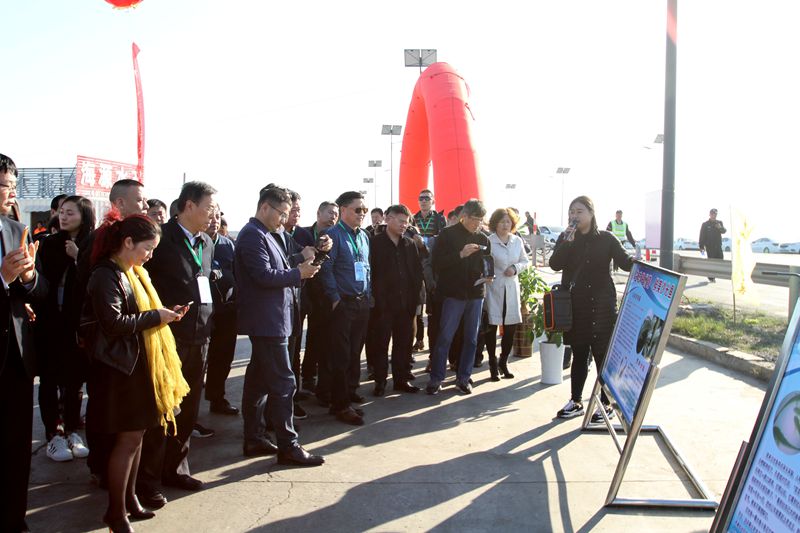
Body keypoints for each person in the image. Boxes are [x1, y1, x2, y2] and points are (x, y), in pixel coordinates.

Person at [83, 214, 189, 533]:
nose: (150, 256)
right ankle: (116, 513)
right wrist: (156, 317)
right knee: (128, 441)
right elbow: (113, 323)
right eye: (147, 248)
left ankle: (129, 501)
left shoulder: (133, 272)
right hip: (120, 371)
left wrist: (164, 315)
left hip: (137, 367)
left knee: (136, 438)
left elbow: (136, 315)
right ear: (127, 243)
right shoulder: (105, 275)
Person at [136, 181, 217, 506]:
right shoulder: (162, 238)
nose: (213, 214)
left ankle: (176, 469)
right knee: (162, 411)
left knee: (189, 409)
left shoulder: (207, 242)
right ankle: (148, 480)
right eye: (209, 207)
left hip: (201, 334)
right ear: (189, 206)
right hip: (168, 337)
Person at [236, 186, 324, 465]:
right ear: (265, 207)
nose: (284, 219)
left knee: (258, 382)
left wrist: (301, 262)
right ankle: (288, 445)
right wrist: (298, 273)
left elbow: (281, 264)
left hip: (275, 317)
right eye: (282, 213)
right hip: (267, 320)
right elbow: (263, 275)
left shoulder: (268, 235)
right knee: (285, 382)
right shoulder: (253, 235)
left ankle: (254, 437)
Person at [76, 178, 148, 487]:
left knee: (126, 425)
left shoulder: (134, 241)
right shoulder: (103, 244)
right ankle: (103, 470)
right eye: (140, 200)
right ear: (119, 203)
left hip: (125, 345)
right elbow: (89, 293)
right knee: (105, 414)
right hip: (107, 347)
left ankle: (123, 482)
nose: (145, 205)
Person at [549, 195, 633, 423]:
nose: (574, 216)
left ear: (591, 213)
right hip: (577, 305)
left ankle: (606, 403)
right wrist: (567, 242)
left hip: (602, 306)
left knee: (602, 356)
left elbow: (625, 262)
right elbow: (555, 264)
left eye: (579, 212)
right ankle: (576, 401)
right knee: (579, 354)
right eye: (571, 212)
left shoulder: (606, 239)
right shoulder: (566, 237)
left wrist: (640, 263)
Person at [0, 153, 47, 533]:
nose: (11, 193)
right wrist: (2, 278)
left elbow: (38, 291)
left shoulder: (16, 229)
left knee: (15, 449)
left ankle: (14, 518)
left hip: (14, 356)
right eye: (5, 186)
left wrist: (28, 278)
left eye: (13, 186)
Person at [35, 195, 95, 462]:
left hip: (78, 324)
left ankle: (72, 430)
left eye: (70, 212)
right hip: (50, 323)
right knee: (49, 379)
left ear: (84, 215)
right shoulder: (49, 244)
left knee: (74, 381)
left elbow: (94, 280)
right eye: (61, 212)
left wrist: (78, 256)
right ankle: (54, 434)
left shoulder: (92, 244)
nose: (64, 216)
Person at [425, 199, 491, 395]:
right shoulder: (447, 235)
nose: (478, 223)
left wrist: (488, 275)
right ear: (464, 216)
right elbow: (436, 264)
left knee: (471, 339)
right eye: (475, 219)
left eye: (481, 220)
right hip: (453, 294)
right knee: (445, 336)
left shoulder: (484, 239)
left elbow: (487, 263)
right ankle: (436, 378)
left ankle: (464, 377)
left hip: (476, 294)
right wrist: (460, 254)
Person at [319, 191, 370, 425]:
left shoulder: (364, 236)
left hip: (362, 302)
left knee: (354, 353)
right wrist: (335, 299)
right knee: (340, 356)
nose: (362, 214)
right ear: (343, 210)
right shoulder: (333, 235)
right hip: (343, 303)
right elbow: (326, 270)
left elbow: (367, 268)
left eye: (364, 210)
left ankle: (347, 394)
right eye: (358, 209)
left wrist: (369, 295)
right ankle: (340, 405)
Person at [370, 205, 424, 396]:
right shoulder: (375, 244)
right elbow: (371, 273)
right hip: (382, 305)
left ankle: (401, 380)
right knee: (380, 345)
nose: (404, 225)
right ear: (388, 219)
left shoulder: (409, 244)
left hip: (405, 304)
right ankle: (380, 381)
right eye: (401, 221)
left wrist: (415, 300)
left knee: (404, 344)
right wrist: (376, 299)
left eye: (406, 222)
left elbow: (417, 273)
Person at [484, 208, 529, 381]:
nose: (505, 225)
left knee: (510, 328)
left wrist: (515, 268)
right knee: (491, 327)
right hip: (494, 288)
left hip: (511, 287)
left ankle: (503, 361)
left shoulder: (517, 241)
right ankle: (492, 363)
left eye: (508, 222)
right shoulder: (489, 241)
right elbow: (484, 262)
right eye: (502, 221)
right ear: (495, 224)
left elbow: (525, 261)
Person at [204, 206, 239, 415]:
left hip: (227, 310)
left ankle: (217, 398)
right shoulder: (196, 243)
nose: (214, 221)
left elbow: (238, 273)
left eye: (217, 217)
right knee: (199, 361)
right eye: (210, 216)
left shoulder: (228, 244)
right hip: (201, 312)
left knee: (223, 356)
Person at [303, 201, 339, 399]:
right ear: (319, 213)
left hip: (326, 296)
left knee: (322, 338)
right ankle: (306, 376)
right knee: (307, 339)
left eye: (336, 214)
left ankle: (319, 379)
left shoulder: (336, 236)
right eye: (330, 213)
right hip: (304, 293)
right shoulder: (304, 234)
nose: (333, 217)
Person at [413, 189, 447, 351]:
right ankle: (419, 339)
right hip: (416, 262)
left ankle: (434, 346)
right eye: (421, 198)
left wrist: (427, 241)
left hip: (433, 264)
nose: (424, 201)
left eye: (427, 198)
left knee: (433, 304)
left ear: (433, 201)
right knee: (416, 302)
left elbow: (444, 239)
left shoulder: (440, 218)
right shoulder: (413, 218)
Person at [698, 208, 726, 282]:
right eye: (712, 214)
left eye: (715, 214)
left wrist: (720, 227)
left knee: (720, 259)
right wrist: (701, 247)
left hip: (718, 246)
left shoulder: (719, 222)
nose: (714, 215)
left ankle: (715, 274)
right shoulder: (705, 224)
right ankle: (711, 277)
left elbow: (724, 231)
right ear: (710, 214)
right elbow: (702, 236)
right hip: (709, 247)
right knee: (711, 262)